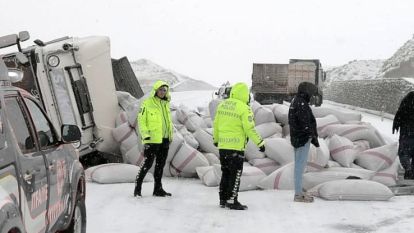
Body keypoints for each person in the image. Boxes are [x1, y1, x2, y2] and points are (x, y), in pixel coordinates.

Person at [213, 82, 265, 210]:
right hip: (235, 147)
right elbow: (249, 129)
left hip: (223, 147)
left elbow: (216, 124)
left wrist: (216, 139)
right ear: (245, 95)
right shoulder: (244, 108)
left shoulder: (223, 105)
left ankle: (223, 199)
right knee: (235, 174)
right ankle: (232, 200)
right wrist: (260, 142)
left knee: (225, 172)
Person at [134, 81, 173, 197]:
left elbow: (168, 122)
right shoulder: (147, 103)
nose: (162, 92)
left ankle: (158, 189)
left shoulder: (166, 104)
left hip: (165, 139)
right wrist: (145, 136)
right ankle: (137, 189)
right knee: (147, 164)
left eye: (164, 90)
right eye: (160, 90)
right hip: (152, 139)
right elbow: (141, 121)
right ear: (156, 90)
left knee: (160, 165)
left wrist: (170, 136)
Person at [288, 82, 320, 203]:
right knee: (299, 167)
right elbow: (305, 123)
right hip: (302, 139)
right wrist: (311, 136)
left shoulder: (296, 101)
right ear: (306, 92)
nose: (311, 96)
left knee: (298, 165)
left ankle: (299, 190)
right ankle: (298, 194)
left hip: (297, 138)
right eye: (311, 93)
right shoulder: (301, 104)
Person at [392, 91, 414, 180]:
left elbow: (399, 115)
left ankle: (408, 169)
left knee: (404, 152)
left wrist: (395, 126)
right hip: (408, 132)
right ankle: (412, 171)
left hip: (406, 133)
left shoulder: (406, 102)